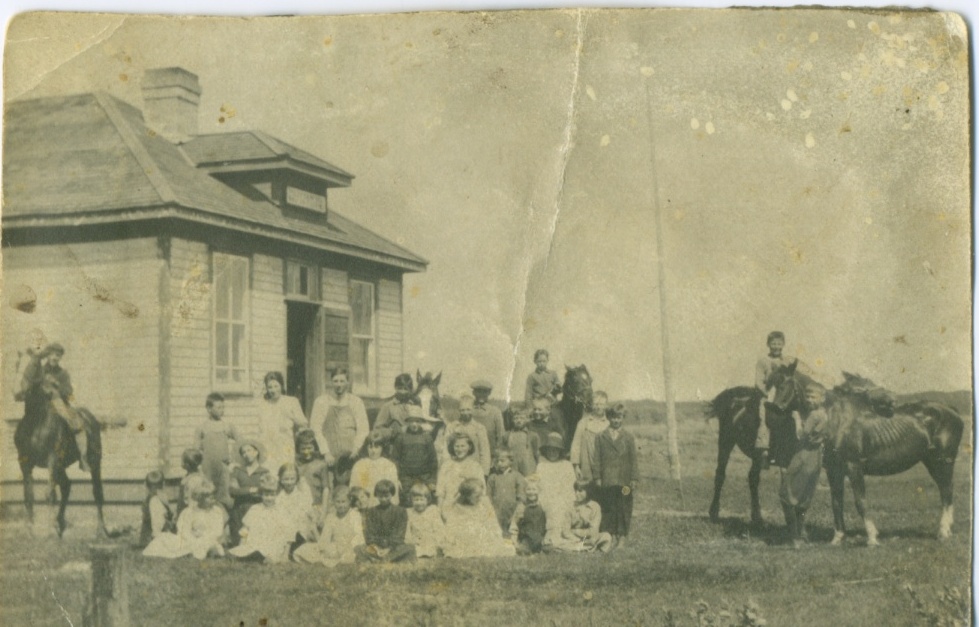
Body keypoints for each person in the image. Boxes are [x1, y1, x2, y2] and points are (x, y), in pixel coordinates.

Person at [18, 343, 90, 471]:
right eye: (52, 354)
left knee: (76, 424)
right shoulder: (40, 370)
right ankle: (25, 449)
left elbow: (68, 391)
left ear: (60, 357)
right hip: (39, 402)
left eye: (58, 355)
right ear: (47, 356)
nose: (55, 358)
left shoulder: (63, 373)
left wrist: (57, 385)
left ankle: (82, 457)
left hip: (58, 402)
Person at [781, 383, 829, 548]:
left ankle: (794, 538)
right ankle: (802, 533)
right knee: (804, 497)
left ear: (821, 399)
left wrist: (796, 420)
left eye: (812, 397)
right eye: (807, 397)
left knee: (787, 494)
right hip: (816, 458)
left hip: (804, 456)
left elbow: (801, 435)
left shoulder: (814, 415)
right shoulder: (825, 415)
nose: (809, 400)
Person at [309, 367, 370, 486]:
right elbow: (315, 428)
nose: (338, 385)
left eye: (342, 381)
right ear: (331, 382)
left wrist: (356, 449)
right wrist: (326, 452)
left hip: (350, 456)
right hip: (329, 457)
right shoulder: (321, 401)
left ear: (347, 382)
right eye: (335, 381)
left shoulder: (356, 402)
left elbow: (363, 429)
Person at [143, 476, 227, 560]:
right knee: (164, 537)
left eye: (214, 498)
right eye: (210, 498)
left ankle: (199, 551)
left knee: (208, 544)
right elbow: (183, 530)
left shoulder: (216, 511)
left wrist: (203, 536)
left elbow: (217, 530)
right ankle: (190, 551)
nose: (213, 500)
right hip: (190, 539)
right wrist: (192, 537)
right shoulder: (188, 512)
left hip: (207, 539)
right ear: (200, 498)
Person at [594, 403, 638, 548]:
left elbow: (633, 459)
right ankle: (610, 534)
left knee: (624, 506)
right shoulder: (601, 436)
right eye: (613, 417)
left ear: (623, 418)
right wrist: (598, 477)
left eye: (619, 417)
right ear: (608, 418)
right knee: (609, 506)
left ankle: (622, 536)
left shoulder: (628, 437)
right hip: (608, 480)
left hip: (624, 481)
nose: (616, 421)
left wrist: (634, 478)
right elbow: (597, 458)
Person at [442, 478, 515, 558]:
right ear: (467, 496)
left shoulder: (484, 504)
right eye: (476, 496)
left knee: (507, 548)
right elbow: (450, 524)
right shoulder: (458, 508)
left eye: (481, 495)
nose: (479, 498)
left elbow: (493, 524)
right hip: (466, 539)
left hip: (482, 538)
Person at [293, 486, 364, 566]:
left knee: (349, 557)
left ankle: (329, 561)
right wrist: (326, 549)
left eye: (343, 502)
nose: (341, 505)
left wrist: (348, 548)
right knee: (303, 549)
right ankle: (326, 560)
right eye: (338, 502)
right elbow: (325, 538)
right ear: (333, 502)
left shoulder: (354, 515)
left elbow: (359, 536)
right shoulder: (331, 517)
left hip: (350, 547)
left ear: (349, 502)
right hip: (334, 547)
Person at [229, 474, 292, 563]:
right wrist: (241, 544)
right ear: (261, 495)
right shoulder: (255, 508)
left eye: (272, 495)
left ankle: (264, 558)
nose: (269, 498)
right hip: (256, 541)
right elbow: (245, 528)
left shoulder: (281, 510)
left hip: (273, 542)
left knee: (270, 551)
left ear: (276, 495)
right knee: (246, 550)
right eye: (266, 495)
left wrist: (286, 555)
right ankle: (252, 556)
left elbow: (288, 534)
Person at [195, 392, 240, 509]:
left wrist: (234, 460)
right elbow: (195, 451)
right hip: (207, 470)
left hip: (223, 470)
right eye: (219, 407)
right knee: (208, 496)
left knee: (223, 499)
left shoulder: (227, 426)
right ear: (209, 409)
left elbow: (241, 443)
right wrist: (199, 468)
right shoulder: (202, 427)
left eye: (223, 407)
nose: (222, 410)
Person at [257, 371, 308, 473]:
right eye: (270, 387)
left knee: (286, 473)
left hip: (285, 446)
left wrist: (291, 416)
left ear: (281, 386)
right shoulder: (264, 404)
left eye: (276, 386)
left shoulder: (291, 401)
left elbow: (304, 423)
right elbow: (260, 428)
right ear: (266, 388)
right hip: (268, 446)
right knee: (270, 473)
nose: (273, 390)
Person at [355, 480, 415, 563]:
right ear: (376, 495)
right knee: (359, 548)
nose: (383, 499)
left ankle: (381, 560)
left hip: (393, 547)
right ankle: (388, 559)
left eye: (386, 496)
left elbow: (399, 534)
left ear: (392, 494)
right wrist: (376, 548)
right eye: (380, 496)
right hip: (376, 547)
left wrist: (388, 549)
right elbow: (369, 534)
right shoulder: (371, 512)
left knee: (410, 548)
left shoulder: (400, 511)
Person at [391, 406, 439, 506]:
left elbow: (433, 460)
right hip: (406, 477)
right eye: (411, 421)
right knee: (407, 501)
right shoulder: (401, 438)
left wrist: (432, 480)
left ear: (421, 422)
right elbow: (395, 459)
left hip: (424, 477)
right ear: (407, 422)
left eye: (417, 421)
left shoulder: (427, 438)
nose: (414, 424)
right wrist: (397, 478)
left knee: (425, 501)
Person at [755, 331, 790, 468]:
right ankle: (764, 449)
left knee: (795, 415)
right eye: (773, 343)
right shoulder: (763, 361)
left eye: (779, 343)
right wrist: (766, 393)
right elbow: (758, 382)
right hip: (768, 395)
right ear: (768, 344)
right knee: (764, 418)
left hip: (784, 396)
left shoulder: (786, 361)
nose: (776, 346)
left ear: (783, 344)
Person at [228, 440, 272, 545]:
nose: (246, 454)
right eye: (243, 452)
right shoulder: (238, 471)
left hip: (257, 507)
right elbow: (232, 491)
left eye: (249, 450)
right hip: (239, 509)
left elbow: (264, 490)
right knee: (238, 542)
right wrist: (252, 490)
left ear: (256, 452)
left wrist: (243, 490)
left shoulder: (264, 472)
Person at [535, 433, 577, 543]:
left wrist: (565, 499)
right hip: (546, 497)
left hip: (564, 497)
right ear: (546, 450)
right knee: (552, 504)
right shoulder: (541, 466)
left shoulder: (567, 465)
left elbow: (570, 486)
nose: (552, 453)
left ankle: (559, 534)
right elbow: (539, 486)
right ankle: (554, 534)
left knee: (559, 504)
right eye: (550, 450)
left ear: (560, 451)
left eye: (556, 450)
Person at [569, 391, 610, 493]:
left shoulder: (609, 424)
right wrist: (576, 466)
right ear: (591, 405)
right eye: (596, 404)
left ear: (606, 406)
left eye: (601, 404)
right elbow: (576, 445)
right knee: (588, 492)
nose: (598, 407)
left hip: (604, 467)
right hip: (586, 465)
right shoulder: (583, 423)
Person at [442, 395, 492, 476]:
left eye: (468, 409)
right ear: (458, 410)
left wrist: (484, 473)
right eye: (462, 410)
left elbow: (485, 452)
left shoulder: (479, 428)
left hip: (473, 469)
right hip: (455, 468)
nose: (465, 413)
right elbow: (446, 449)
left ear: (472, 410)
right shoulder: (451, 427)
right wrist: (446, 468)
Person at [436, 432, 486, 513]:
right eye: (457, 446)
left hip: (469, 508)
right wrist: (440, 510)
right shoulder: (446, 465)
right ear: (452, 447)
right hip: (449, 507)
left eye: (463, 446)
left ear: (469, 447)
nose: (459, 449)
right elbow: (440, 491)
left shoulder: (475, 466)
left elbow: (482, 491)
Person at [275, 462, 317, 550]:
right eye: (286, 479)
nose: (289, 482)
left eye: (292, 479)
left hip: (299, 530)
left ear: (296, 479)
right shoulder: (279, 497)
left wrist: (312, 519)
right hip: (284, 529)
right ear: (281, 480)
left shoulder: (301, 495)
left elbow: (309, 511)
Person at [350, 434, 401, 506]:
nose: (373, 450)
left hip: (383, 503)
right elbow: (354, 487)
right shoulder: (359, 464)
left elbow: (393, 490)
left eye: (377, 447)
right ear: (366, 448)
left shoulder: (389, 465)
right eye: (370, 447)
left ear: (382, 448)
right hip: (364, 504)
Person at [564, 480, 613, 553]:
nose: (576, 494)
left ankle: (583, 548)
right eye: (575, 491)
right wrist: (575, 538)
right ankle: (588, 548)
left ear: (588, 491)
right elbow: (565, 531)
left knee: (607, 537)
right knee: (556, 540)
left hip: (590, 538)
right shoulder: (570, 506)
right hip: (573, 539)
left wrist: (575, 531)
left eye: (580, 491)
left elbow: (593, 531)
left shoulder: (595, 507)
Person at [294, 429, 332, 520]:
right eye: (303, 449)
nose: (306, 451)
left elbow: (326, 489)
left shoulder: (321, 464)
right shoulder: (296, 465)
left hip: (317, 506)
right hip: (300, 506)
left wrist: (323, 511)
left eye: (309, 448)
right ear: (298, 449)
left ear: (315, 447)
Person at [486, 450, 526, 535]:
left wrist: (518, 509)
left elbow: (521, 495)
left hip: (512, 512)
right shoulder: (493, 477)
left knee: (511, 535)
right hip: (496, 512)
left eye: (502, 460)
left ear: (510, 461)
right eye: (497, 461)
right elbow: (488, 496)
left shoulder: (517, 476)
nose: (499, 463)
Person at [372, 373, 416, 446]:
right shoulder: (388, 406)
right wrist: (393, 431)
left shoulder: (414, 406)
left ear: (410, 390)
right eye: (400, 388)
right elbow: (377, 429)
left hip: (412, 446)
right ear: (395, 388)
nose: (402, 392)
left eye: (406, 389)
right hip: (394, 446)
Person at [405, 483, 444, 558]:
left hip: (431, 541)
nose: (419, 503)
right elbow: (407, 531)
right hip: (416, 542)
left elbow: (439, 529)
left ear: (427, 500)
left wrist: (438, 542)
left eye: (422, 499)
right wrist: (410, 542)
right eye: (416, 500)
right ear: (411, 500)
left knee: (431, 549)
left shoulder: (432, 510)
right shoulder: (409, 512)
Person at [509, 480, 547, 556]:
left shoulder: (543, 506)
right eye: (528, 489)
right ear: (525, 491)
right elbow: (514, 525)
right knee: (523, 550)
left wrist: (547, 539)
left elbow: (549, 524)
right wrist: (514, 541)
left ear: (539, 491)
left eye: (534, 489)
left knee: (550, 549)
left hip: (541, 539)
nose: (531, 492)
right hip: (526, 539)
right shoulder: (521, 506)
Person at [139, 470, 176, 548]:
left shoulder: (150, 499)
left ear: (146, 486)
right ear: (163, 484)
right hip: (154, 536)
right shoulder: (155, 500)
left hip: (148, 536)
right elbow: (158, 523)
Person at [471, 380, 506, 458]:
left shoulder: (495, 412)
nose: (481, 395)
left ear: (489, 393)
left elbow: (500, 435)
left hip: (490, 453)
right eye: (479, 392)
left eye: (484, 392)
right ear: (473, 393)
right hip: (471, 453)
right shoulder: (468, 410)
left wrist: (497, 452)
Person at [503, 407, 540, 477]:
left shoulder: (533, 435)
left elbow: (536, 454)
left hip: (528, 467)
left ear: (527, 420)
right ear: (512, 420)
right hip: (512, 466)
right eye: (516, 418)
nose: (519, 420)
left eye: (522, 418)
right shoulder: (506, 435)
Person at [177, 448, 204, 515]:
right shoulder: (188, 477)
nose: (181, 462)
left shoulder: (194, 480)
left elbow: (191, 501)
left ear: (187, 465)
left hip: (190, 511)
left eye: (182, 460)